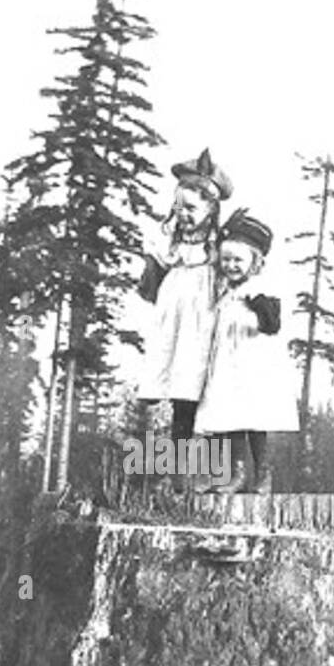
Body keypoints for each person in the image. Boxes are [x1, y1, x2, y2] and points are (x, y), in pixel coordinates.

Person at [195, 208, 298, 493]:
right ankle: (231, 471)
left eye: (238, 260)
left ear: (255, 262)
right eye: (226, 259)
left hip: (252, 363)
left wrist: (251, 315)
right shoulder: (224, 290)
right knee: (225, 416)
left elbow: (271, 324)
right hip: (227, 361)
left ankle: (262, 472)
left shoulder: (258, 289)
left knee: (252, 418)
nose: (231, 265)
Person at [137, 149, 232, 446]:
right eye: (179, 207)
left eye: (191, 208)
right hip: (173, 306)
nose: (183, 214)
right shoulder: (171, 239)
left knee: (193, 376)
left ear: (211, 209)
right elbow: (153, 276)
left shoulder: (217, 246)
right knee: (168, 359)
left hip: (201, 311)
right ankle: (170, 450)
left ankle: (196, 450)